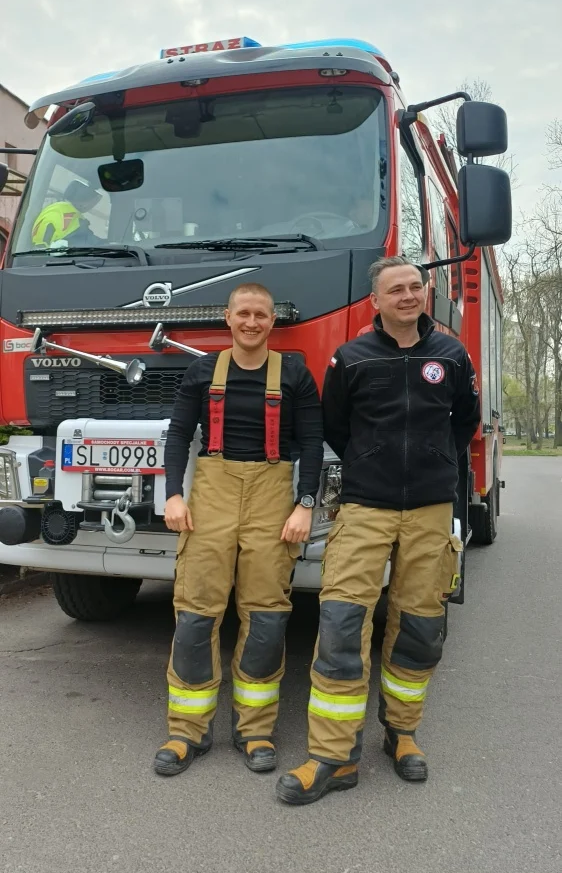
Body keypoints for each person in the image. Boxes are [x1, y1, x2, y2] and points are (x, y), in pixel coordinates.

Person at [276, 255, 480, 805]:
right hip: (366, 507)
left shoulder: (452, 356)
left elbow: (464, 421)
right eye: (397, 289)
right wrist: (371, 460)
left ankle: (402, 734)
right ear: (377, 302)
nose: (409, 295)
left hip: (430, 511)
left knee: (419, 626)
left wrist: (436, 460)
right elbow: (337, 426)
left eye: (415, 286)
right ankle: (333, 757)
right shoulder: (351, 359)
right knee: (342, 623)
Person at [155, 282, 324, 778]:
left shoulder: (294, 373)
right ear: (227, 318)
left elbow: (312, 442)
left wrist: (304, 504)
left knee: (267, 617)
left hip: (274, 499)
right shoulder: (202, 371)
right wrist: (173, 494)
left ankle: (256, 730)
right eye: (243, 314)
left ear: (273, 321)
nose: (252, 323)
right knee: (195, 614)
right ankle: (186, 731)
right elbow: (180, 433)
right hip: (213, 495)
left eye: (261, 315)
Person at [31, 180, 103, 247]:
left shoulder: (53, 209)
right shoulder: (74, 217)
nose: (88, 206)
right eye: (89, 203)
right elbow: (89, 243)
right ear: (83, 203)